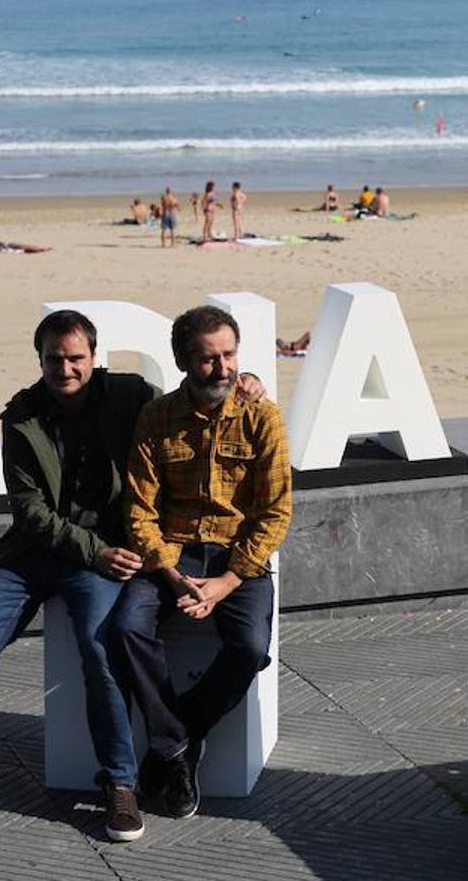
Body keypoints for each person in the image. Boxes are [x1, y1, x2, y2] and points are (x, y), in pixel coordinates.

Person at [0, 311, 153, 842]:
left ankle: (120, 784)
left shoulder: (131, 395)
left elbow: (187, 409)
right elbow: (30, 512)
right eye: (54, 359)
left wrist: (246, 383)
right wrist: (95, 550)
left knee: (98, 647)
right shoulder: (20, 416)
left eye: (75, 358)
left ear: (94, 357)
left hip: (100, 555)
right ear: (40, 360)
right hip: (36, 551)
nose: (65, 368)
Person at [112, 306, 291, 821]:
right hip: (172, 553)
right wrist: (172, 574)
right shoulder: (157, 417)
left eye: (230, 355)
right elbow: (140, 512)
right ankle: (173, 745)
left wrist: (225, 582)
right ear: (182, 361)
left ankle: (181, 734)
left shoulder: (262, 417)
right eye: (208, 359)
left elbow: (276, 512)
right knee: (125, 626)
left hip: (239, 556)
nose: (223, 369)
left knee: (251, 647)